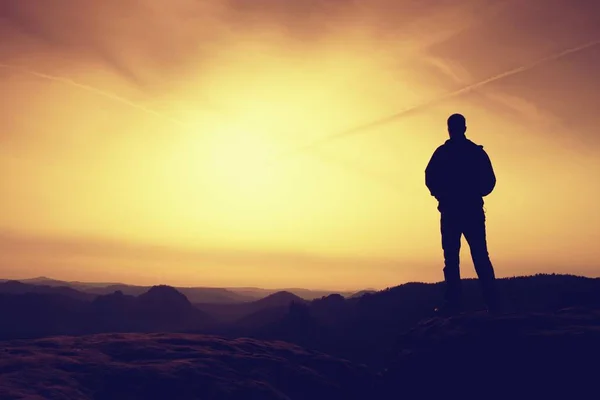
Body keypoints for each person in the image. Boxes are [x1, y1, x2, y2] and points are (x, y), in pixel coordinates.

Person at [425, 113, 498, 314]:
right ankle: (490, 302)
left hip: (455, 211)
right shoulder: (474, 152)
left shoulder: (445, 153)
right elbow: (489, 182)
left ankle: (458, 302)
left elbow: (430, 177)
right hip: (467, 210)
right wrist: (472, 192)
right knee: (476, 256)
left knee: (457, 258)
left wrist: (443, 196)